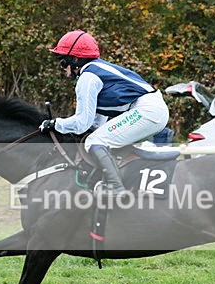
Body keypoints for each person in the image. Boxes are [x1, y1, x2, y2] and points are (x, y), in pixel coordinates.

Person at [40, 30, 169, 194]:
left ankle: (116, 188)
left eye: (63, 62)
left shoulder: (87, 78)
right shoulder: (97, 70)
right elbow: (96, 122)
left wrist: (55, 124)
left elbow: (81, 123)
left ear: (75, 59)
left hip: (147, 110)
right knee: (98, 138)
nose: (63, 68)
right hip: (151, 109)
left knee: (95, 141)